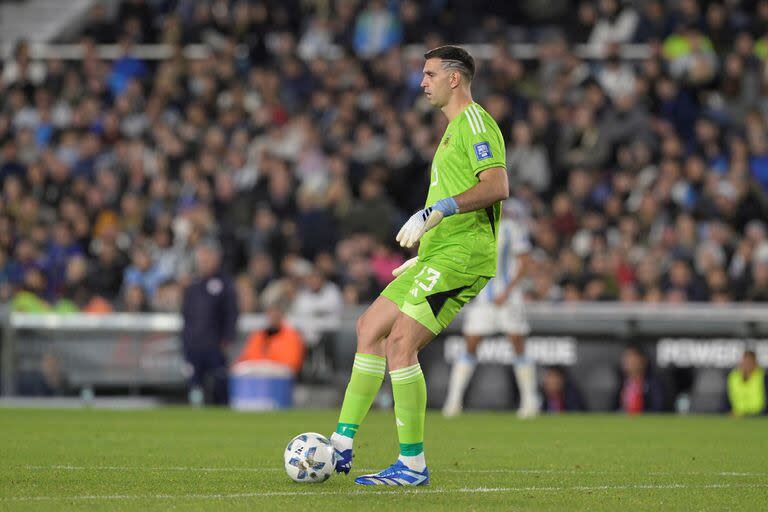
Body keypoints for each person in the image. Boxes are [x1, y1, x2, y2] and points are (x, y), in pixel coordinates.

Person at [329, 46, 509, 486]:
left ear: (454, 78)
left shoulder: (475, 123)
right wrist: (422, 256)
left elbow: (498, 185)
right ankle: (341, 442)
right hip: (438, 256)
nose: (422, 82)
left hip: (463, 257)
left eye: (429, 74)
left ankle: (411, 465)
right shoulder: (450, 132)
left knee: (400, 344)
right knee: (370, 327)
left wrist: (441, 209)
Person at [442, 199, 537, 418]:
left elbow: (524, 262)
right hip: (483, 299)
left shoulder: (513, 228)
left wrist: (508, 290)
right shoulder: (477, 229)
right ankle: (453, 402)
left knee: (517, 344)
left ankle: (530, 402)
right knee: (471, 345)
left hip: (509, 299)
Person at [181, 241, 238, 406]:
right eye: (202, 260)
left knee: (219, 381)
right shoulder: (192, 286)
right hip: (194, 344)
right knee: (195, 384)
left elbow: (231, 314)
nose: (204, 263)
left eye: (207, 259)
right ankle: (196, 412)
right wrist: (186, 341)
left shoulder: (225, 285)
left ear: (216, 260)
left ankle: (223, 410)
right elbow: (186, 316)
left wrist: (227, 339)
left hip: (215, 344)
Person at [236, 298, 305, 375]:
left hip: (279, 374)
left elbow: (292, 362)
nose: (273, 315)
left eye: (276, 312)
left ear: (282, 315)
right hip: (257, 371)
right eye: (271, 312)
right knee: (240, 369)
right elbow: (247, 356)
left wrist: (268, 364)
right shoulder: (258, 335)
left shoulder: (292, 335)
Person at [616, 345, 666, 414]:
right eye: (626, 357)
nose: (629, 362)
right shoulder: (621, 384)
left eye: (632, 357)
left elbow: (659, 408)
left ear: (643, 360)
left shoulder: (654, 384)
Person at [726, 350, 767, 417]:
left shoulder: (764, 377)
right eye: (744, 361)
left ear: (755, 363)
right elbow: (729, 398)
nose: (746, 365)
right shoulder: (733, 376)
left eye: (749, 362)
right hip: (738, 415)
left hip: (760, 415)